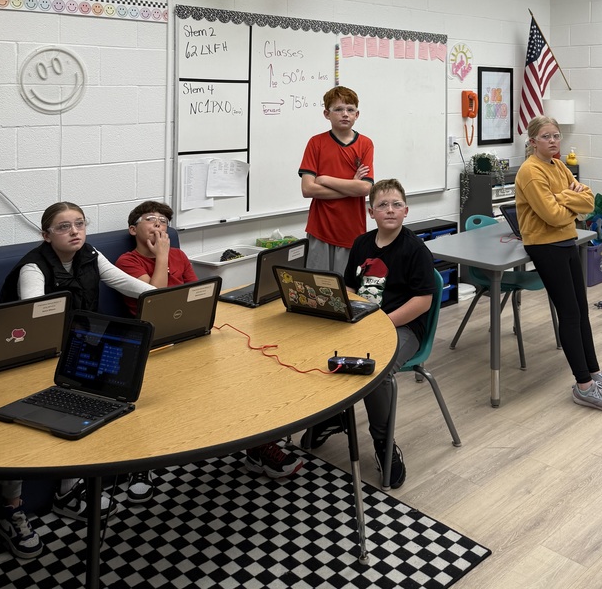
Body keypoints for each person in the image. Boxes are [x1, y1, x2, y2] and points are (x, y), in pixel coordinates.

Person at [0, 201, 151, 561]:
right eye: (64, 227)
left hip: (74, 350)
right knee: (19, 428)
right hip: (27, 357)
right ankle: (11, 510)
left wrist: (167, 299)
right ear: (46, 234)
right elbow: (37, 319)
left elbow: (127, 285)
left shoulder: (90, 255)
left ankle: (68, 491)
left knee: (94, 405)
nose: (75, 232)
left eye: (80, 224)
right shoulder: (33, 267)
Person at [115, 200, 303, 488]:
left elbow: (200, 294)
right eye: (151, 219)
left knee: (248, 375)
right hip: (155, 344)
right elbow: (156, 297)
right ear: (133, 229)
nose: (159, 225)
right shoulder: (127, 261)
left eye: (164, 222)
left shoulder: (178, 254)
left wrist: (170, 256)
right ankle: (143, 464)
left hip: (193, 332)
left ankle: (259, 445)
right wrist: (162, 256)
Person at [302, 179, 435, 488]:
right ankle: (335, 416)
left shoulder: (415, 249)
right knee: (319, 345)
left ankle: (383, 442)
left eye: (396, 205)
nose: (390, 210)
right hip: (364, 320)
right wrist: (347, 309)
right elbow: (349, 285)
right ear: (371, 211)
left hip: (402, 326)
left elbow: (423, 300)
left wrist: (382, 323)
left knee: (377, 368)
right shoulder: (361, 242)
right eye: (383, 205)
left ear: (406, 211)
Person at [514, 116, 602, 413]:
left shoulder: (559, 165)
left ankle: (594, 374)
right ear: (532, 141)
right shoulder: (530, 172)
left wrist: (561, 200)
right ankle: (584, 387)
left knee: (581, 311)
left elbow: (589, 201)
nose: (553, 141)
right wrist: (570, 203)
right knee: (568, 313)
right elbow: (552, 216)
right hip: (544, 245)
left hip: (566, 241)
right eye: (546, 137)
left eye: (556, 135)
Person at [299, 86, 374, 274]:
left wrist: (324, 179)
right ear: (326, 114)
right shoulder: (316, 143)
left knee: (346, 290)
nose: (345, 114)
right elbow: (308, 189)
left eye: (350, 109)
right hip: (320, 229)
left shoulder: (365, 143)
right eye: (338, 109)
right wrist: (351, 185)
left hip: (351, 230)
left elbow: (365, 188)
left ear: (357, 114)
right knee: (318, 288)